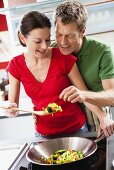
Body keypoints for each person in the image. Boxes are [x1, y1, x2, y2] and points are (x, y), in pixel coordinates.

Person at [3, 11, 113, 139]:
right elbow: (13, 108)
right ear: (22, 38)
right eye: (38, 41)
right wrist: (9, 111)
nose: (44, 46)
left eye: (48, 39)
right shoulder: (15, 65)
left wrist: (103, 116)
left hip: (77, 130)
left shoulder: (63, 57)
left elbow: (83, 93)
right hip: (43, 135)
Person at [52, 1, 114, 134]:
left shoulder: (102, 51)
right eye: (58, 34)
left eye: (69, 35)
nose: (62, 42)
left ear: (82, 31)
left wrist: (84, 95)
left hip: (97, 115)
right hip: (65, 117)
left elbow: (112, 95)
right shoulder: (51, 50)